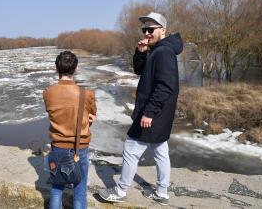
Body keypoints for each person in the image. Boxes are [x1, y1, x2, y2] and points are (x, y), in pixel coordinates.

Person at [99, 12, 183, 206]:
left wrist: (149, 113)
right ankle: (161, 192)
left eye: (151, 29)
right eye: (145, 29)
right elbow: (139, 71)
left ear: (163, 30)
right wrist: (140, 52)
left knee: (130, 149)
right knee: (160, 150)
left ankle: (120, 191)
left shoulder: (163, 53)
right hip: (160, 114)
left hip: (153, 113)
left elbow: (165, 87)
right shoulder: (158, 49)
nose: (147, 33)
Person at [43, 51, 97, 209]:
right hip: (79, 149)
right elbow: (92, 115)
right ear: (76, 69)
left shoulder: (48, 93)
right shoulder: (86, 94)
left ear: (56, 69)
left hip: (58, 148)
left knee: (56, 188)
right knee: (79, 190)